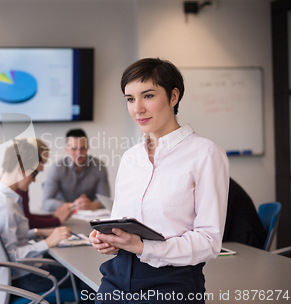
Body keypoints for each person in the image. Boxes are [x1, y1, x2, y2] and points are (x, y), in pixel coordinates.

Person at [89, 58, 229, 303]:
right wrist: (108, 240)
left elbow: (209, 242)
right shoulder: (131, 157)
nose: (137, 108)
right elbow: (121, 223)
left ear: (173, 97)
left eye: (148, 96)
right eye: (130, 99)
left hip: (171, 283)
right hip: (115, 278)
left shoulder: (205, 153)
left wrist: (143, 247)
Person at [0, 140, 74, 295]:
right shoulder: (5, 206)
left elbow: (8, 240)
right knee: (81, 279)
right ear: (20, 169)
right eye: (34, 173)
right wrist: (48, 242)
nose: (34, 179)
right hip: (23, 278)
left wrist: (40, 233)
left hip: (17, 274)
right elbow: (12, 256)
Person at [42, 128, 111, 212]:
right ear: (67, 149)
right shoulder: (57, 168)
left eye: (83, 148)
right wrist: (73, 206)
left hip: (89, 215)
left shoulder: (99, 166)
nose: (79, 153)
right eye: (74, 149)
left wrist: (91, 205)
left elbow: (105, 199)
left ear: (87, 148)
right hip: (64, 215)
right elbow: (46, 202)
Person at [15, 138, 73, 228]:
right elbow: (28, 222)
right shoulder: (20, 186)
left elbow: (26, 216)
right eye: (42, 162)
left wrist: (53, 216)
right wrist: (57, 220)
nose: (42, 169)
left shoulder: (20, 183)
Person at [223, 178, 267, 249]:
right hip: (239, 239)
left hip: (248, 243)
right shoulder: (222, 181)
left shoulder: (222, 185)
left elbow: (221, 225)